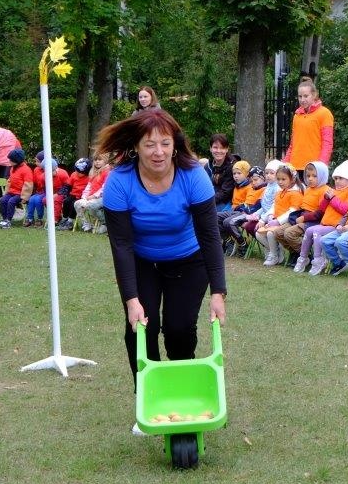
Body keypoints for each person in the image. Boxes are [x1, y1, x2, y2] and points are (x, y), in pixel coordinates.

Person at [98, 108, 227, 433]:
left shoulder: (193, 176)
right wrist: (131, 300)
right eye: (149, 144)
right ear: (136, 147)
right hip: (142, 261)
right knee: (141, 328)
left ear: (175, 144)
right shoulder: (120, 181)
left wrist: (219, 292)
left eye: (165, 143)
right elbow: (121, 245)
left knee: (179, 330)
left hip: (189, 260)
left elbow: (210, 237)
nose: (158, 152)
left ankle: (183, 398)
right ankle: (148, 400)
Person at [281, 76, 334, 167]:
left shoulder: (324, 113)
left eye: (306, 96)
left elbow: (327, 143)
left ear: (314, 95)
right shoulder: (297, 116)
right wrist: (285, 162)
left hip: (313, 167)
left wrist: (321, 165)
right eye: (300, 96)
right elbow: (293, 144)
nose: (302, 100)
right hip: (294, 166)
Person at [257, 164, 302, 267]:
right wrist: (267, 217)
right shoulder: (279, 192)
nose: (280, 182)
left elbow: (292, 211)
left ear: (292, 179)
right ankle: (275, 252)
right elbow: (274, 206)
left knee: (270, 233)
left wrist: (278, 221)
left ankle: (273, 255)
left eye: (283, 179)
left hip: (287, 222)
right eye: (278, 179)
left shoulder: (295, 193)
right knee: (259, 233)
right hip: (276, 220)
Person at [74, 151, 112, 232]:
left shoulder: (108, 171)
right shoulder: (93, 172)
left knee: (91, 205)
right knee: (77, 204)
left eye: (100, 160)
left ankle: (105, 222)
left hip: (103, 197)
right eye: (95, 160)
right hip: (91, 197)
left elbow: (105, 187)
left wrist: (94, 196)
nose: (97, 162)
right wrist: (84, 197)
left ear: (105, 160)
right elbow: (89, 186)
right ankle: (87, 224)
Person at [0, 149, 31, 229]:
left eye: (11, 160)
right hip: (11, 192)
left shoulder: (26, 170)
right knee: (3, 200)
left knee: (11, 201)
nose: (9, 161)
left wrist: (25, 198)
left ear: (17, 161)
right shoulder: (12, 168)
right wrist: (6, 193)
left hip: (20, 193)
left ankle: (8, 220)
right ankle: (4, 219)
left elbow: (28, 185)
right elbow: (9, 181)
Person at [206, 134, 238, 210]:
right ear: (210, 148)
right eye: (215, 147)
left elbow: (225, 193)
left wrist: (206, 202)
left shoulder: (232, 167)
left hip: (227, 202)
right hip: (211, 198)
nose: (218, 151)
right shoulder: (208, 166)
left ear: (227, 149)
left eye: (222, 148)